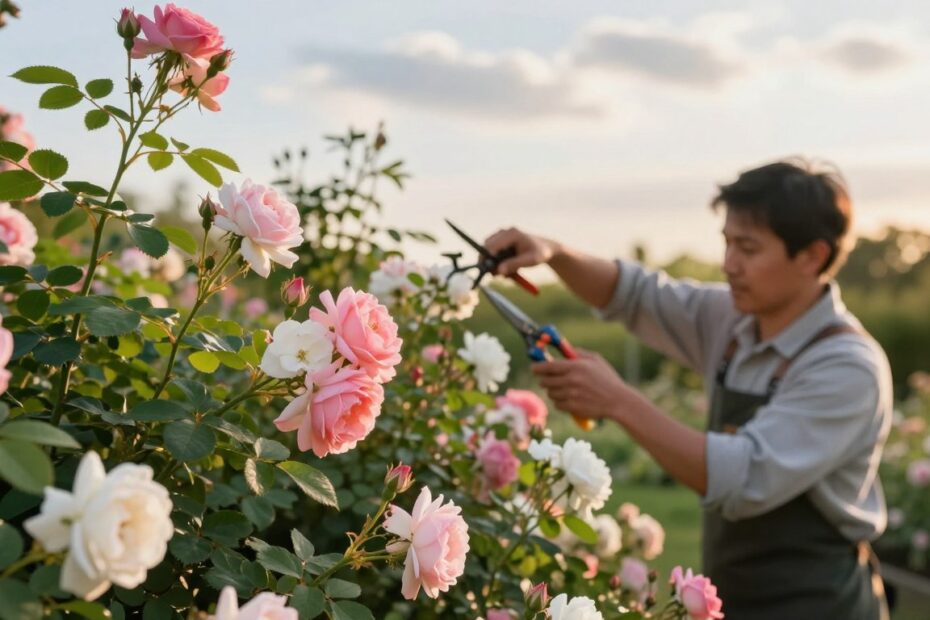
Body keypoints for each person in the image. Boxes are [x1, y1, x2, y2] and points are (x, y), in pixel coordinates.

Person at [484, 160, 892, 620]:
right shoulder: (736, 321)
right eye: (727, 243)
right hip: (738, 598)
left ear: (812, 256)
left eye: (748, 248)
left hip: (820, 604)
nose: (728, 264)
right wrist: (554, 253)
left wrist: (617, 401)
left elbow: (742, 478)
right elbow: (634, 294)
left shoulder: (845, 367)